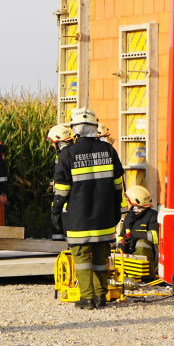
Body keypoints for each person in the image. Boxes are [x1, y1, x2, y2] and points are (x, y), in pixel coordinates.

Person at [52, 107, 125, 310]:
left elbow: (62, 189)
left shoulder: (67, 154)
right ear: (94, 128)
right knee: (102, 257)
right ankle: (102, 295)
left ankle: (87, 298)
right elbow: (118, 183)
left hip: (80, 217)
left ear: (75, 130)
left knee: (82, 258)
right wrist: (117, 207)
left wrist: (56, 211)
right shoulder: (109, 151)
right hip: (104, 215)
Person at [117, 185, 159, 281]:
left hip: (152, 257)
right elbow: (122, 235)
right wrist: (121, 244)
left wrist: (133, 234)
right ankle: (129, 275)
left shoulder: (152, 215)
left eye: (128, 201)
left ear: (137, 201)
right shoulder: (129, 217)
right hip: (132, 252)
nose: (127, 203)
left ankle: (148, 277)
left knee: (141, 244)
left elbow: (155, 236)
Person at [46, 124, 74, 241]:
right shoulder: (71, 152)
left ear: (59, 142)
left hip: (63, 191)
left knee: (56, 211)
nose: (53, 145)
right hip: (70, 191)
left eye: (53, 142)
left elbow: (62, 175)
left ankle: (58, 239)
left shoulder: (63, 155)